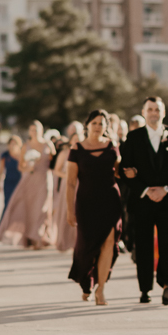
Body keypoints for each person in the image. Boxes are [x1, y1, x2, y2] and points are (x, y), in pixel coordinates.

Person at [119, 97, 168, 305]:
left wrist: (165, 189)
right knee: (143, 245)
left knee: (166, 244)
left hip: (167, 200)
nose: (154, 112)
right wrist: (146, 190)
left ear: (163, 112)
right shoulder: (134, 137)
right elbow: (125, 170)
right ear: (144, 112)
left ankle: (166, 284)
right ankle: (145, 289)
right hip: (142, 201)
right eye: (150, 109)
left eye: (157, 109)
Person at [66, 110, 123, 304]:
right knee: (85, 248)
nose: (98, 126)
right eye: (95, 123)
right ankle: (85, 281)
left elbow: (119, 171)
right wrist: (69, 209)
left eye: (101, 123)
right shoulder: (77, 148)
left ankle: (101, 289)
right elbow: (71, 182)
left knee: (109, 242)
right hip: (86, 203)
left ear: (106, 126)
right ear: (87, 125)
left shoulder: (112, 146)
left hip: (110, 201)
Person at [0, 121, 55, 248]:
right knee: (30, 210)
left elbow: (54, 162)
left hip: (44, 180)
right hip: (29, 181)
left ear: (41, 130)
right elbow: (20, 166)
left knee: (42, 209)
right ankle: (30, 237)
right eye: (32, 129)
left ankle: (38, 238)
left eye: (36, 129)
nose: (34, 132)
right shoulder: (26, 146)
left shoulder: (48, 144)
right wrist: (29, 168)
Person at [53, 123, 84, 252]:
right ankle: (64, 241)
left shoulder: (85, 153)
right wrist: (68, 174)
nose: (76, 141)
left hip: (82, 185)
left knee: (80, 213)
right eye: (74, 139)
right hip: (68, 185)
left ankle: (79, 241)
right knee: (67, 212)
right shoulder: (65, 153)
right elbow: (56, 170)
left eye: (79, 139)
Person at [0, 135, 22, 219]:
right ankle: (4, 224)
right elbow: (1, 170)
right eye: (11, 143)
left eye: (15, 144)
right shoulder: (5, 155)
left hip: (19, 182)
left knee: (18, 204)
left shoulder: (21, 155)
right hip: (8, 182)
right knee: (7, 203)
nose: (13, 145)